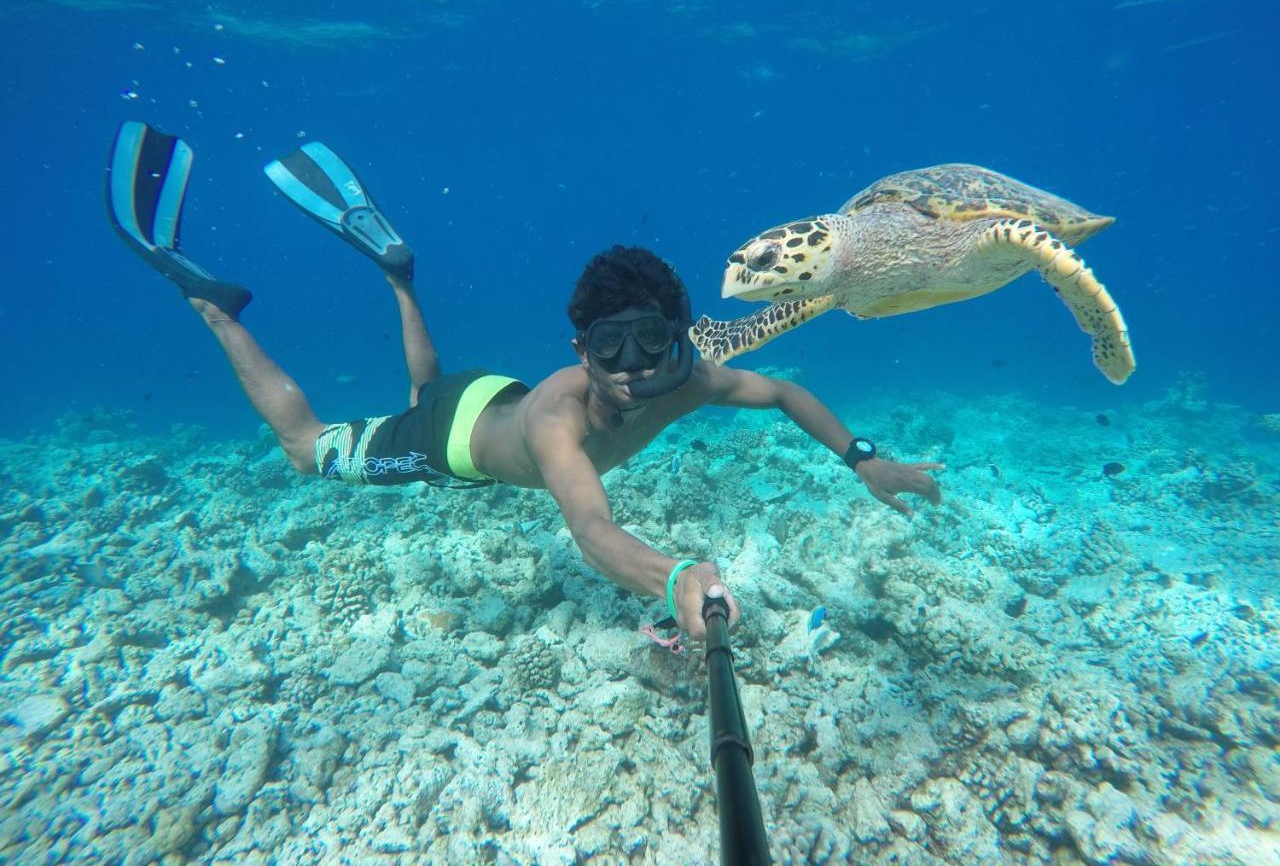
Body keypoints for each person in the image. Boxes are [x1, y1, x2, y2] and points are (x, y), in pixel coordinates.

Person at [107, 121, 944, 641]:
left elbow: (788, 394)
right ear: (580, 351)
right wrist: (677, 573)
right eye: (607, 349)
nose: (632, 371)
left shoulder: (693, 382)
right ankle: (213, 307)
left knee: (426, 384)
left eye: (651, 342)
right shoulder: (560, 421)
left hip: (485, 394)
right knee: (306, 449)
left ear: (683, 340)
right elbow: (591, 530)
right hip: (454, 438)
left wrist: (860, 455)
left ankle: (399, 275)